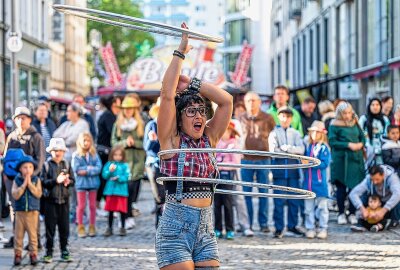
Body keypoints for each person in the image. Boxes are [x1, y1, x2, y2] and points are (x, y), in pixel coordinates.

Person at [155, 22, 232, 270]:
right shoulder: (171, 141)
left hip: (206, 233)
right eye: (191, 112)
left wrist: (194, 84)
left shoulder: (210, 138)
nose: (199, 116)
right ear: (179, 117)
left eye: (201, 111)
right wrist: (181, 52)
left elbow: (227, 101)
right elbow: (167, 94)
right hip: (174, 233)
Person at [3, 106, 45, 249]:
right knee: (15, 209)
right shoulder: (12, 136)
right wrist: (5, 176)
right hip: (12, 179)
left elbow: (40, 160)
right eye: (18, 118)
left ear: (29, 120)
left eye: (24, 118)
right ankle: (17, 238)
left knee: (33, 209)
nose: (21, 121)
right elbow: (6, 158)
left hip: (31, 178)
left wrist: (32, 177)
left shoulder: (36, 137)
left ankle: (36, 240)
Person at [238, 91, 275, 233]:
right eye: (248, 101)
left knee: (263, 193)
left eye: (254, 100)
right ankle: (248, 224)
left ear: (259, 102)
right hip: (245, 160)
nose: (251, 103)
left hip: (263, 159)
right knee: (246, 193)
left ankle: (264, 223)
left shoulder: (268, 118)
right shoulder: (241, 117)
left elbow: (272, 134)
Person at [269, 106, 305, 238]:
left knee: (293, 200)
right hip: (279, 171)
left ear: (291, 118)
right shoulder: (274, 133)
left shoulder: (295, 133)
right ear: (279, 117)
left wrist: (287, 149)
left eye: (288, 116)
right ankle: (279, 228)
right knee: (278, 201)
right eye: (283, 116)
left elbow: (301, 150)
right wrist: (288, 151)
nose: (285, 119)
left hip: (293, 171)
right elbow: (273, 151)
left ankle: (292, 225)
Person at [111, 94, 146, 229]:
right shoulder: (118, 124)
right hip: (122, 162)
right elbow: (113, 143)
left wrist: (134, 143)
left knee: (132, 191)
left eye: (130, 108)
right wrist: (125, 142)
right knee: (123, 191)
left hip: (137, 162)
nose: (128, 111)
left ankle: (129, 215)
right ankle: (123, 217)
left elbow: (144, 143)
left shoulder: (140, 124)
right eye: (126, 108)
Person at [329, 101, 365, 225]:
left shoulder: (355, 122)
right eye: (344, 113)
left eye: (349, 112)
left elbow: (362, 136)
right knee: (341, 188)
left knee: (354, 188)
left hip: (355, 160)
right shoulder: (334, 124)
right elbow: (332, 142)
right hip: (341, 160)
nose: (347, 115)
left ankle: (352, 212)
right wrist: (348, 145)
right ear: (339, 113)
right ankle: (341, 213)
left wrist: (360, 144)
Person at [41, 138, 74, 263]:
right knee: (50, 228)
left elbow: (73, 181)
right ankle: (48, 252)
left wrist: (68, 182)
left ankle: (64, 250)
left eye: (60, 150)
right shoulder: (47, 165)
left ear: (64, 152)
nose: (58, 153)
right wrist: (56, 181)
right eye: (55, 150)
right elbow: (43, 182)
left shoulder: (66, 164)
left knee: (64, 228)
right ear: (51, 152)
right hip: (50, 201)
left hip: (64, 201)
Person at [12, 155, 42, 266]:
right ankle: (18, 254)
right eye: (25, 167)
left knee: (33, 235)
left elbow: (38, 193)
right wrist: (24, 185)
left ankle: (33, 254)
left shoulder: (36, 180)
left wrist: (30, 184)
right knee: (18, 235)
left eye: (30, 167)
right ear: (20, 169)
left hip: (32, 212)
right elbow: (15, 195)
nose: (28, 170)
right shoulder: (17, 180)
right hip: (20, 212)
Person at [303, 121, 331, 239]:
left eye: (317, 132)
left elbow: (324, 163)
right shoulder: (308, 146)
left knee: (322, 207)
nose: (314, 134)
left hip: (320, 183)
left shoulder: (324, 148)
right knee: (308, 208)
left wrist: (310, 163)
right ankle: (310, 227)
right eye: (312, 132)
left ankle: (323, 227)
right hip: (308, 183)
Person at [349, 165, 400, 230]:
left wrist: (383, 210)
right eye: (372, 179)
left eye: (377, 179)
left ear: (383, 175)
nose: (374, 182)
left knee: (398, 198)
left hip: (390, 205)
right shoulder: (368, 179)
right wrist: (362, 209)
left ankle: (394, 220)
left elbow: (398, 194)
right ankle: (361, 223)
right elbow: (353, 193)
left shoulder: (392, 178)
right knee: (363, 197)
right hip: (375, 203)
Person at [71, 132, 102, 238]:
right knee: (81, 206)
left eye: (88, 140)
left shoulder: (94, 154)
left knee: (93, 206)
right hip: (81, 184)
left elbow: (98, 168)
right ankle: (80, 226)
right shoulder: (76, 155)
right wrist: (90, 169)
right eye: (84, 140)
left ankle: (92, 225)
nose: (86, 143)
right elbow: (77, 169)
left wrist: (87, 170)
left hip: (93, 184)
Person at [214, 121, 240, 240]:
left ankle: (230, 229)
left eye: (227, 130)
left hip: (228, 175)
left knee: (228, 204)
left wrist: (222, 165)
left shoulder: (234, 144)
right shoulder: (216, 143)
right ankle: (217, 228)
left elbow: (236, 163)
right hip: (216, 176)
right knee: (217, 204)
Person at [96, 96, 121, 216]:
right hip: (105, 151)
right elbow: (113, 132)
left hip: (107, 150)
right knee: (104, 178)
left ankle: (106, 204)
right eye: (118, 105)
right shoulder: (108, 116)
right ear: (113, 104)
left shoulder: (109, 115)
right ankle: (101, 205)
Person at [144, 99, 165, 227]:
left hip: (169, 164)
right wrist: (152, 140)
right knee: (159, 197)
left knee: (169, 196)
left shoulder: (171, 124)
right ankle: (159, 227)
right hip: (154, 164)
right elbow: (146, 147)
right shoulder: (152, 125)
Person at [102, 145, 131, 237]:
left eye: (119, 155)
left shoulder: (125, 166)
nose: (117, 157)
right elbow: (104, 175)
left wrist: (119, 178)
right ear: (112, 155)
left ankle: (122, 227)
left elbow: (127, 176)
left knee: (122, 211)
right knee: (110, 211)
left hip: (121, 192)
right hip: (111, 191)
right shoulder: (109, 164)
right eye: (115, 155)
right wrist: (109, 171)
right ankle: (109, 228)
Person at [358, 98, 390, 166]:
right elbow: (359, 133)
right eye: (373, 105)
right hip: (367, 150)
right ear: (369, 106)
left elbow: (387, 134)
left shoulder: (385, 119)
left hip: (381, 150)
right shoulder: (363, 119)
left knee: (381, 169)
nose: (375, 107)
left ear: (380, 106)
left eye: (377, 105)